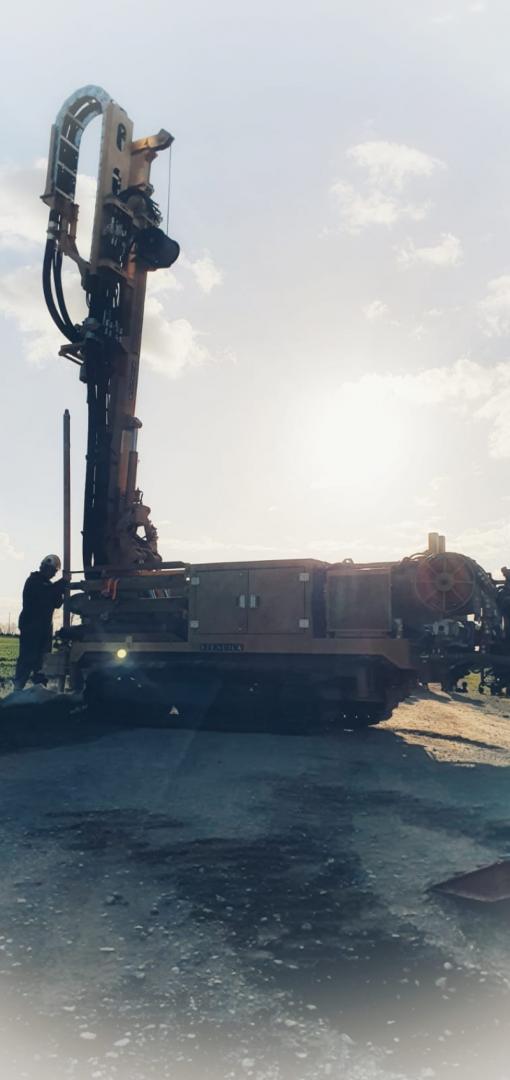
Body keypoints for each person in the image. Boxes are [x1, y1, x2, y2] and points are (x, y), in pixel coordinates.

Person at [14, 555, 65, 690]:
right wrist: (62, 583)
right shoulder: (33, 581)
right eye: (52, 571)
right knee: (27, 658)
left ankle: (39, 690)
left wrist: (61, 587)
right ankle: (17, 689)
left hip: (45, 628)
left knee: (42, 661)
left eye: (55, 572)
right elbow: (44, 595)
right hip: (31, 626)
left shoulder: (49, 585)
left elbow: (57, 603)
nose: (53, 574)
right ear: (44, 568)